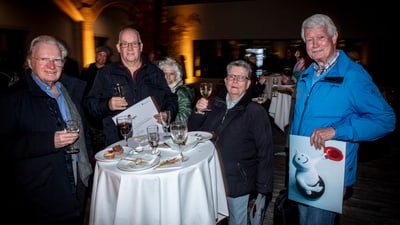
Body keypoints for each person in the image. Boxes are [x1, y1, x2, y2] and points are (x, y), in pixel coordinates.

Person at [290, 14, 396, 225]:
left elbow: (385, 120)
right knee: (302, 220)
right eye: (309, 39)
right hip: (302, 164)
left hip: (330, 168)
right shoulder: (307, 74)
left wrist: (336, 130)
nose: (315, 44)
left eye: (321, 37)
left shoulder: (353, 75)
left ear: (334, 37)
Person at [0, 35, 93, 225]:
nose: (52, 65)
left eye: (57, 60)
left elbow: (86, 135)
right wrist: (49, 141)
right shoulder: (12, 98)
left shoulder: (72, 91)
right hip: (40, 198)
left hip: (77, 184)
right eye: (44, 59)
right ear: (30, 62)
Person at [188, 59, 274, 225]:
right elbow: (193, 132)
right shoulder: (213, 103)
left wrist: (264, 189)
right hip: (210, 174)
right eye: (232, 76)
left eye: (241, 78)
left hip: (237, 179)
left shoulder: (254, 111)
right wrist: (198, 111)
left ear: (248, 84)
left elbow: (265, 150)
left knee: (237, 220)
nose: (235, 81)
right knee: (209, 218)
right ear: (226, 80)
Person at [84, 27, 178, 146]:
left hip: (152, 142)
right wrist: (108, 105)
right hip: (120, 145)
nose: (130, 48)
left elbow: (171, 98)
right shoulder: (105, 73)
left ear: (141, 46)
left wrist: (167, 114)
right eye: (125, 44)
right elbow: (89, 105)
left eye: (134, 43)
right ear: (118, 47)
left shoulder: (155, 72)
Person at [81, 46, 111, 153]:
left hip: (103, 108)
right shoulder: (88, 71)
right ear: (96, 55)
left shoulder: (109, 72)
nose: (102, 58)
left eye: (104, 56)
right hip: (88, 109)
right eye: (100, 55)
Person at [156, 57, 195, 123]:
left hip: (177, 130)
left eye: (171, 74)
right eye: (165, 73)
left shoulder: (181, 91)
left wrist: (167, 120)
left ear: (177, 76)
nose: (168, 77)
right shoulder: (160, 89)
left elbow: (185, 117)